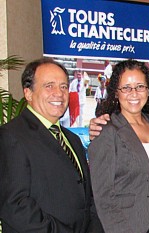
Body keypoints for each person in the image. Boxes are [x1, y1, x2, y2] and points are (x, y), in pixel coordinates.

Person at [0, 58, 103, 232]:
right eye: (49, 86)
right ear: (28, 93)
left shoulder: (73, 139)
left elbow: (87, 196)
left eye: (63, 86)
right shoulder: (11, 136)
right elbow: (15, 205)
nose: (59, 93)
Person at [88, 60, 149, 233]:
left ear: (148, 90)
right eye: (126, 87)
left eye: (140, 86)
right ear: (116, 93)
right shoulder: (107, 131)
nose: (134, 93)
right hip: (130, 223)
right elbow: (103, 196)